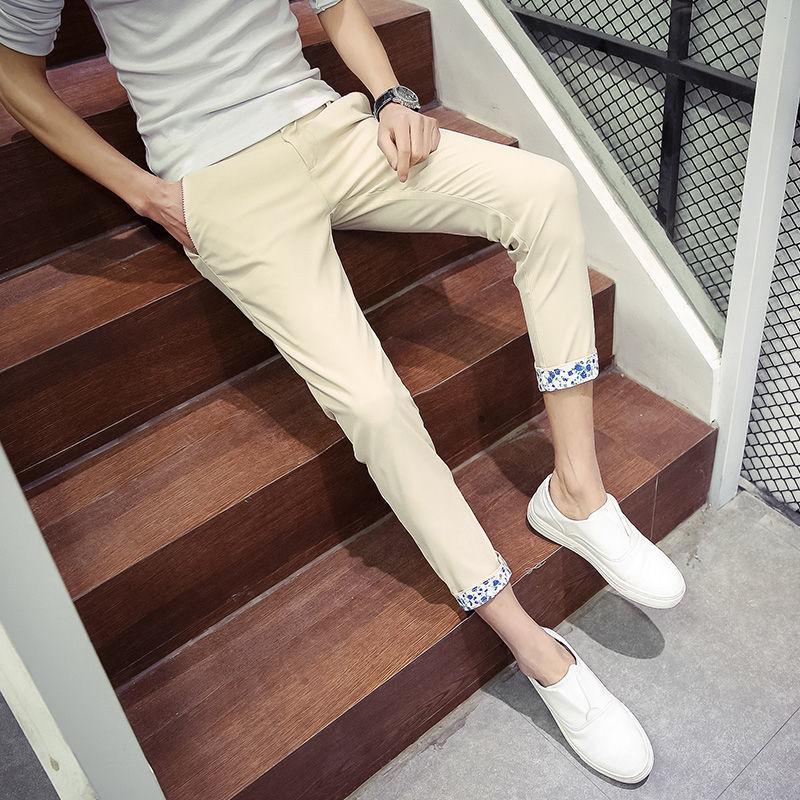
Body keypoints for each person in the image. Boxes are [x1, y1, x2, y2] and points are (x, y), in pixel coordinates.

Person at [0, 0, 686, 783]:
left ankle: (576, 493)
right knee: (372, 404)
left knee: (544, 190)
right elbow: (13, 73)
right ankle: (534, 649)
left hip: (327, 125)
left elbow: (336, 7)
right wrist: (143, 192)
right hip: (214, 175)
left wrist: (392, 96)